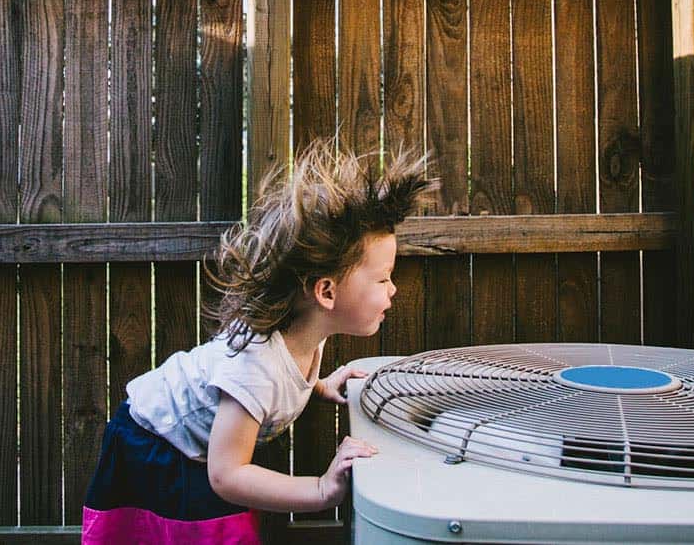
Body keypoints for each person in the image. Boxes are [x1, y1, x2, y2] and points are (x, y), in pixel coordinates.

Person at [81, 142, 436, 543]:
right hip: (158, 448)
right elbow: (227, 475)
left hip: (201, 453)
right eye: (383, 278)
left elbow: (282, 379)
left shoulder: (304, 333)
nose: (393, 289)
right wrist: (320, 489)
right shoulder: (255, 367)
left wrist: (319, 387)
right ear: (326, 292)